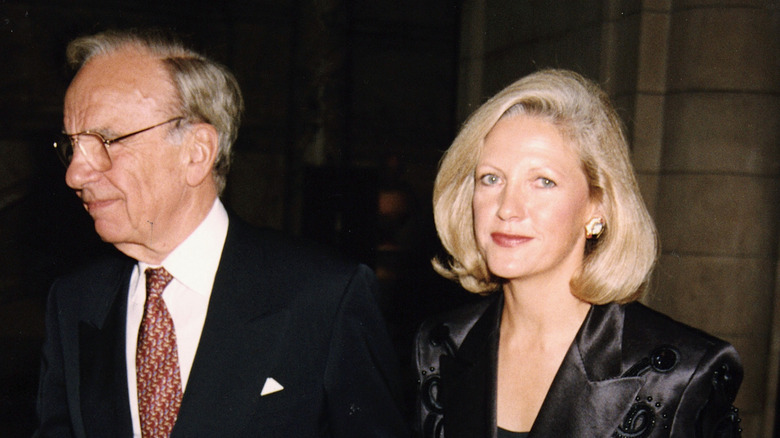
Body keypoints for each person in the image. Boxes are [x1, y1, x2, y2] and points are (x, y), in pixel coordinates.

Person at [36, 29, 408, 437]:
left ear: (196, 152)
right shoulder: (75, 303)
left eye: (107, 141)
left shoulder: (324, 297)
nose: (75, 174)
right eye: (73, 145)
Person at [414, 69, 743, 437]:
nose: (507, 207)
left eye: (543, 182)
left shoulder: (683, 373)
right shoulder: (442, 343)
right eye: (491, 178)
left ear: (597, 207)